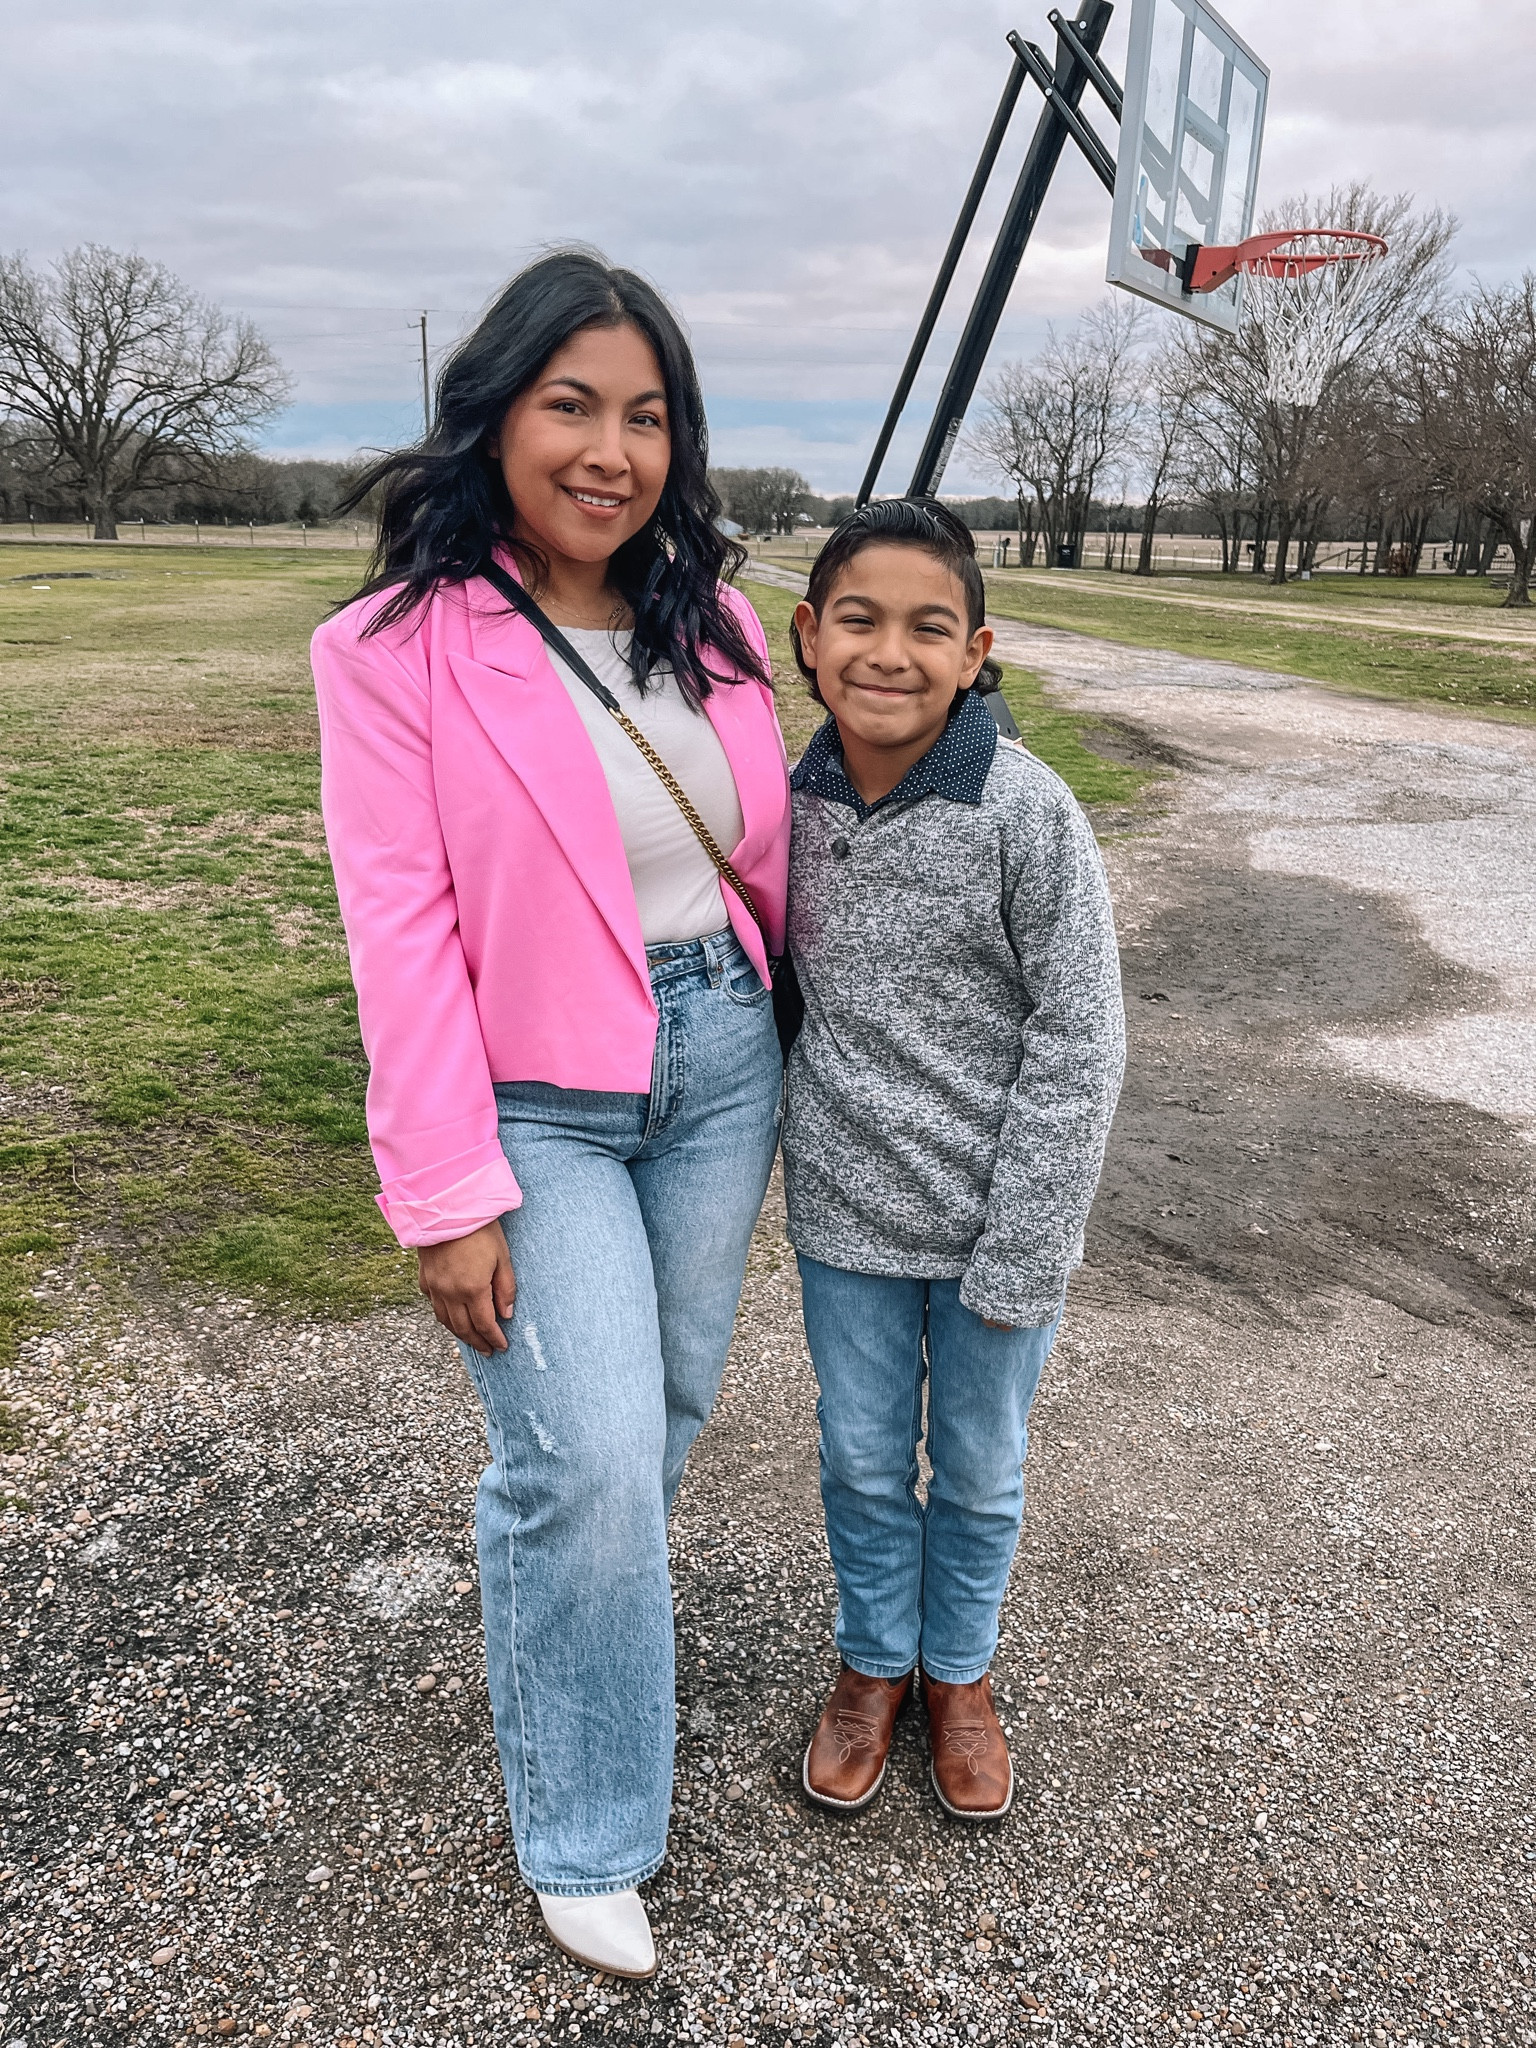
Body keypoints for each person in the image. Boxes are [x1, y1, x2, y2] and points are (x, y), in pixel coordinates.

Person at [310, 250, 789, 1976]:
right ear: (497, 416)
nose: (611, 449)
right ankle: (585, 1817)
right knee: (580, 1457)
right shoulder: (389, 651)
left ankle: (553, 1638)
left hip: (724, 1061)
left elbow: (764, 846)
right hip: (540, 1104)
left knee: (648, 1424)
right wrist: (442, 1188)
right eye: (572, 405)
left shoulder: (714, 622)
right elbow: (400, 928)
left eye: (646, 414)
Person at [780, 499, 1123, 1820]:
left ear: (977, 650)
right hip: (846, 1221)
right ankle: (874, 1664)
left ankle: (959, 1677)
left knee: (977, 1469)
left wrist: (1029, 1238)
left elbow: (1083, 1035)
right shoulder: (787, 803)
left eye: (930, 627)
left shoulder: (1024, 813)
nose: (890, 652)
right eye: (858, 619)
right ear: (810, 637)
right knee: (864, 1460)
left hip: (994, 1228)